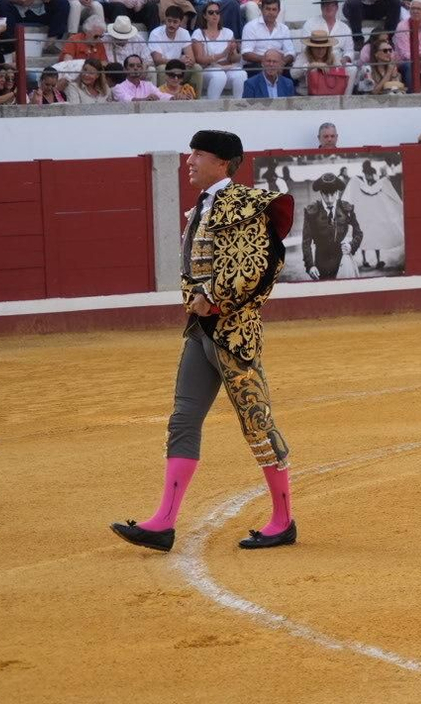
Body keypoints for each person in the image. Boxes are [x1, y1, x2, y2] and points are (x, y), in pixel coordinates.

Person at [110, 130, 297, 554]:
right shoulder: (205, 207)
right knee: (183, 419)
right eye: (190, 152)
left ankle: (283, 520)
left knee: (256, 421)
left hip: (233, 332)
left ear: (223, 163)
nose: (189, 160)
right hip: (200, 331)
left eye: (199, 154)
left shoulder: (242, 205)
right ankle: (163, 523)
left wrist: (213, 296)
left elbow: (257, 265)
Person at [300, 173, 363, 281]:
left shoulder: (346, 208)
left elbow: (358, 233)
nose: (329, 199)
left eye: (332, 194)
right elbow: (306, 241)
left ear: (337, 192)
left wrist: (351, 246)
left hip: (343, 260)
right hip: (321, 263)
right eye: (325, 195)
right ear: (321, 193)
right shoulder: (312, 211)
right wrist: (310, 265)